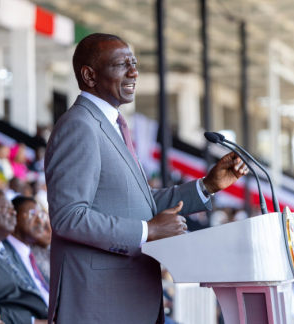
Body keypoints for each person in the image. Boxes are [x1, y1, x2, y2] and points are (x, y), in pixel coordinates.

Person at [45, 33, 249, 323]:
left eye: (134, 63)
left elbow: (139, 201)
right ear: (89, 75)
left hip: (128, 298)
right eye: (121, 64)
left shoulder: (112, 125)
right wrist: (146, 232)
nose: (134, 72)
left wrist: (208, 185)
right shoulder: (79, 126)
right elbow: (68, 216)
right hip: (100, 303)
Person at [0, 189, 47, 324]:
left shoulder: (2, 247)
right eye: (4, 208)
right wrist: (34, 322)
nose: (13, 212)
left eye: (12, 208)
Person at [4, 196, 49, 306]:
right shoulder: (2, 252)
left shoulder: (32, 253)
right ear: (13, 217)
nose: (39, 221)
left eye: (40, 215)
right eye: (32, 214)